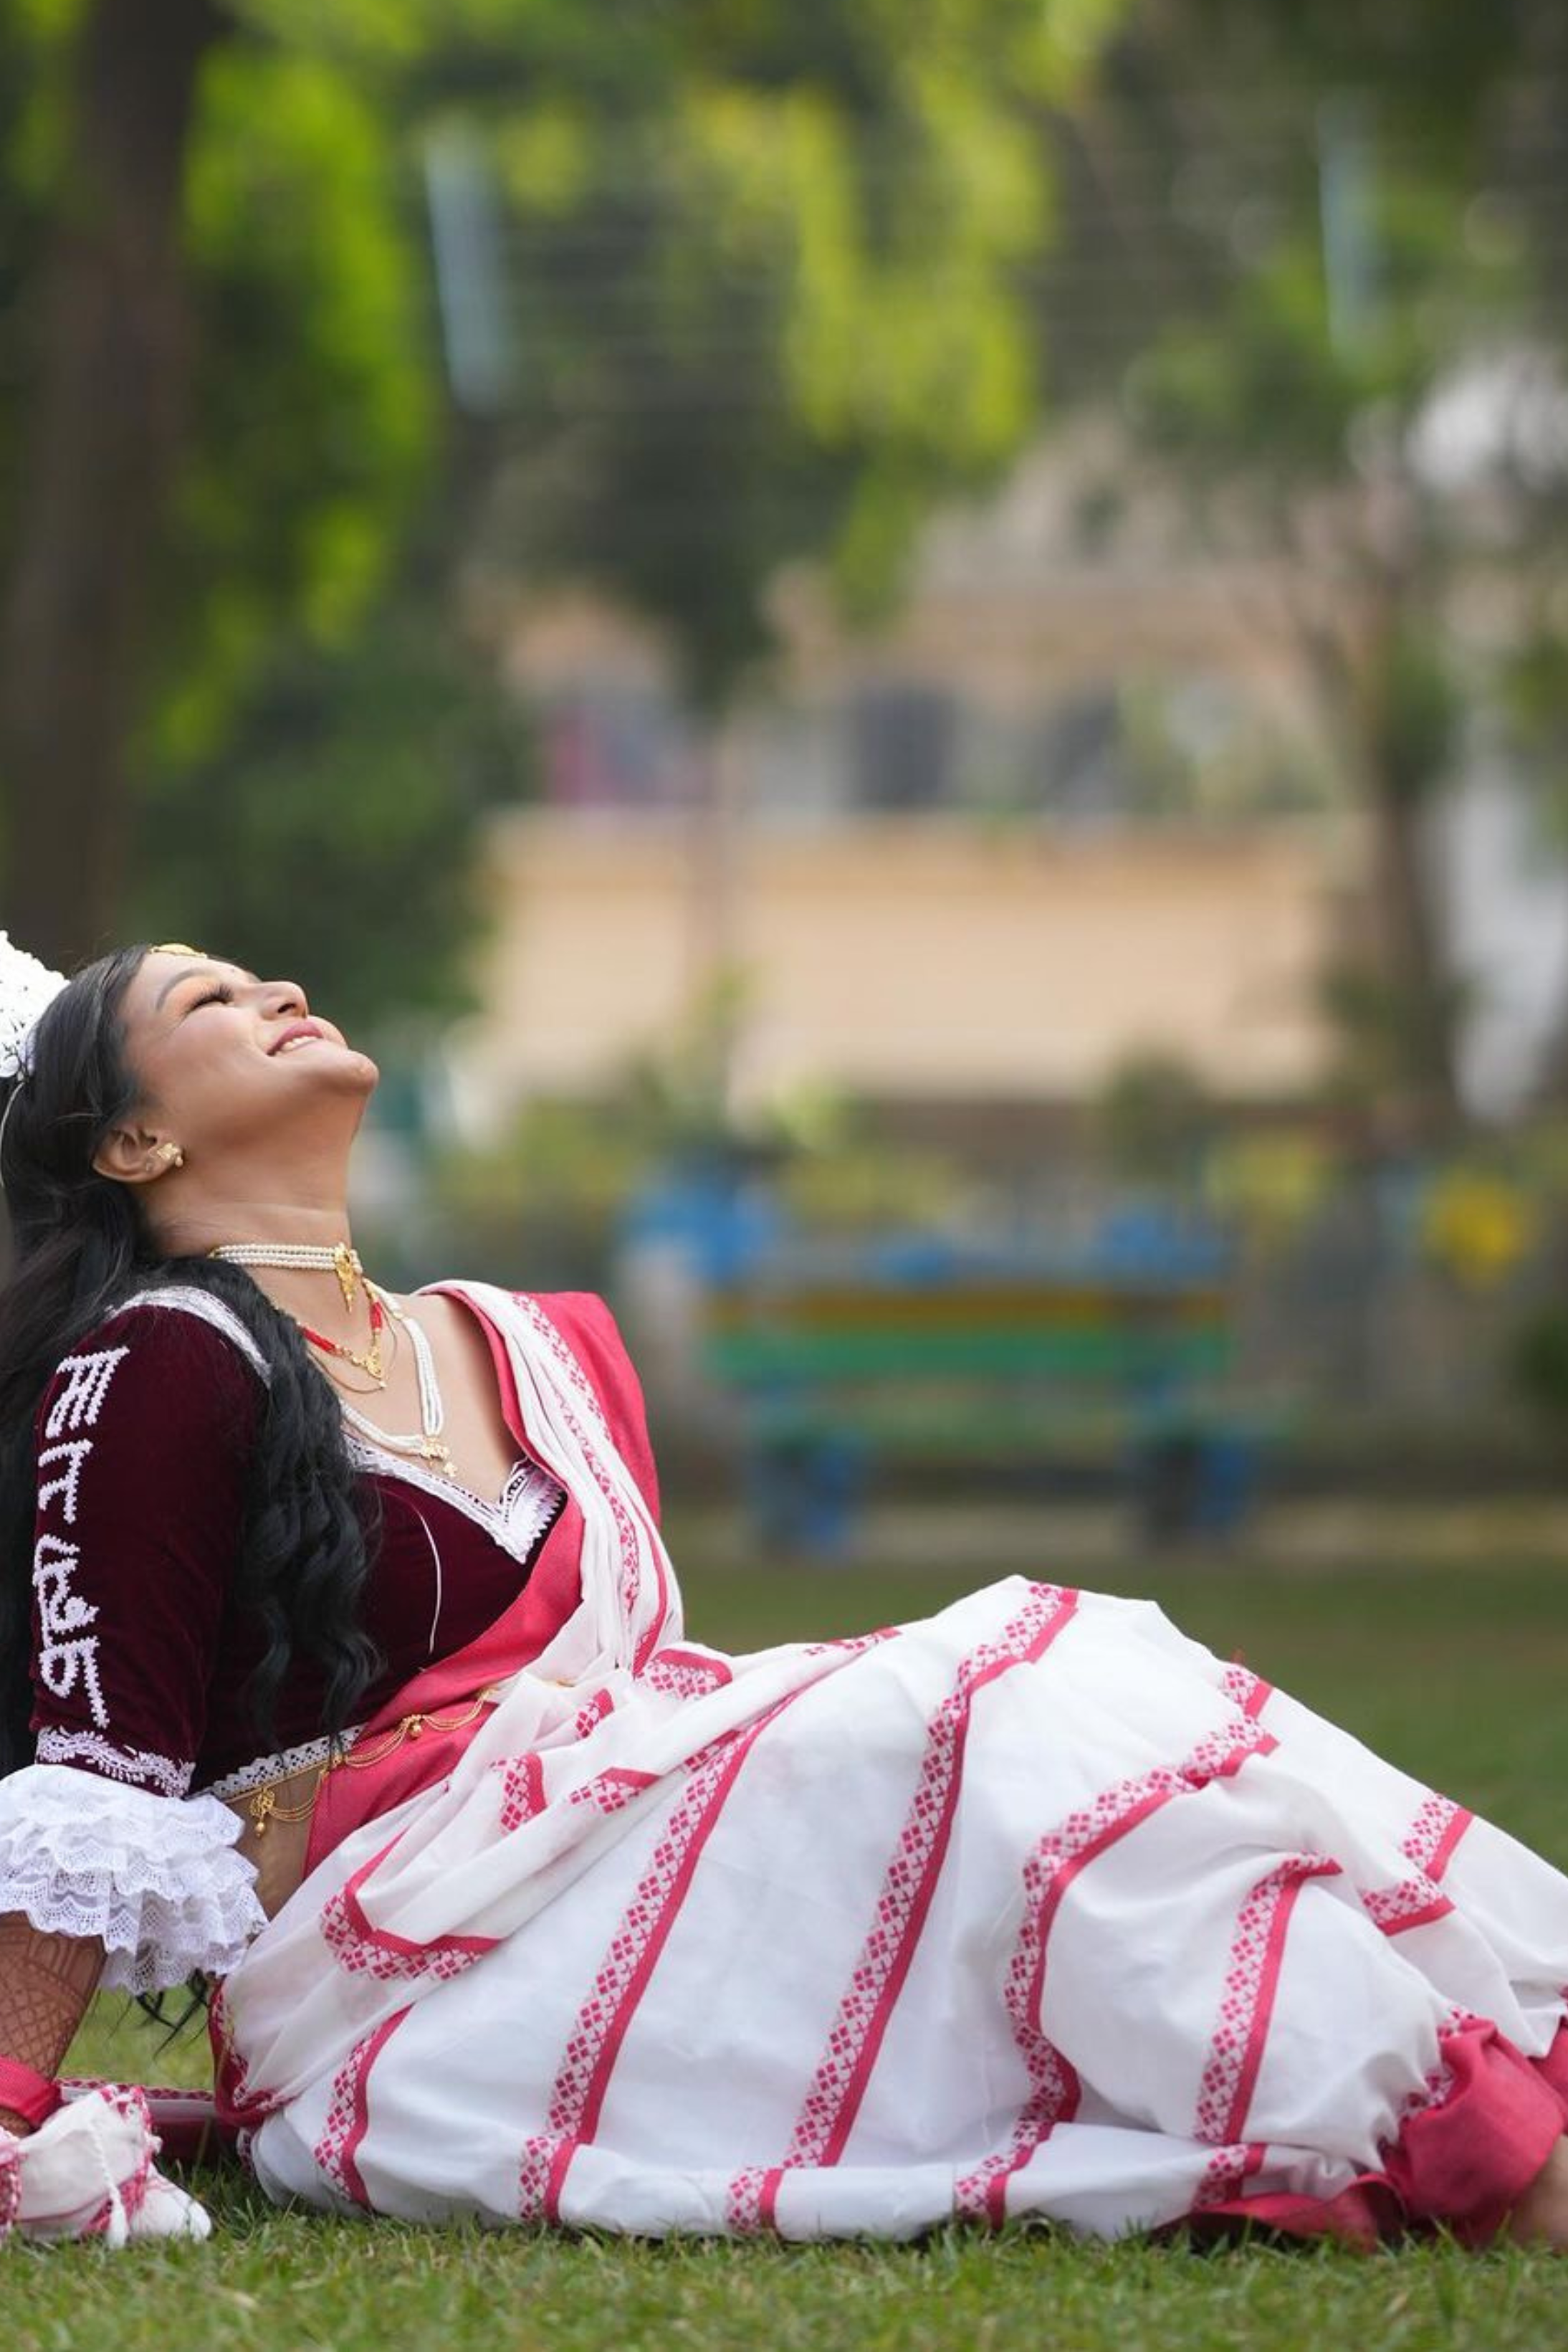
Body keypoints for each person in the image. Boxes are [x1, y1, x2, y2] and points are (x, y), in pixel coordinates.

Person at [3, 937, 1568, 2251]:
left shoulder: (521, 1344)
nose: (274, 984)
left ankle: (1502, 2049)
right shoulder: (155, 1363)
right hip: (402, 1958)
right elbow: (97, 1775)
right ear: (134, 1144)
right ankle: (1477, 2144)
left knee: (1092, 1669)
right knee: (988, 1697)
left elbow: (634, 1687)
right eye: (208, 1004)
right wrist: (13, 2099)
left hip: (608, 1839)